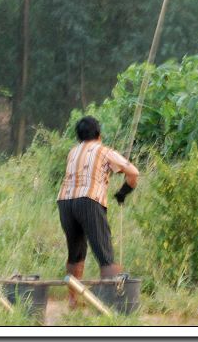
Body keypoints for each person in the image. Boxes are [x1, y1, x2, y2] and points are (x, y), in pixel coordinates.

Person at [57, 115, 139, 307]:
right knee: (105, 254)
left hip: (64, 202)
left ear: (78, 136)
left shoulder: (73, 152)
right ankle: (113, 304)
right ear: (99, 134)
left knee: (75, 253)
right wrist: (123, 192)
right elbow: (133, 172)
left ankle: (73, 301)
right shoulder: (103, 150)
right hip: (89, 201)